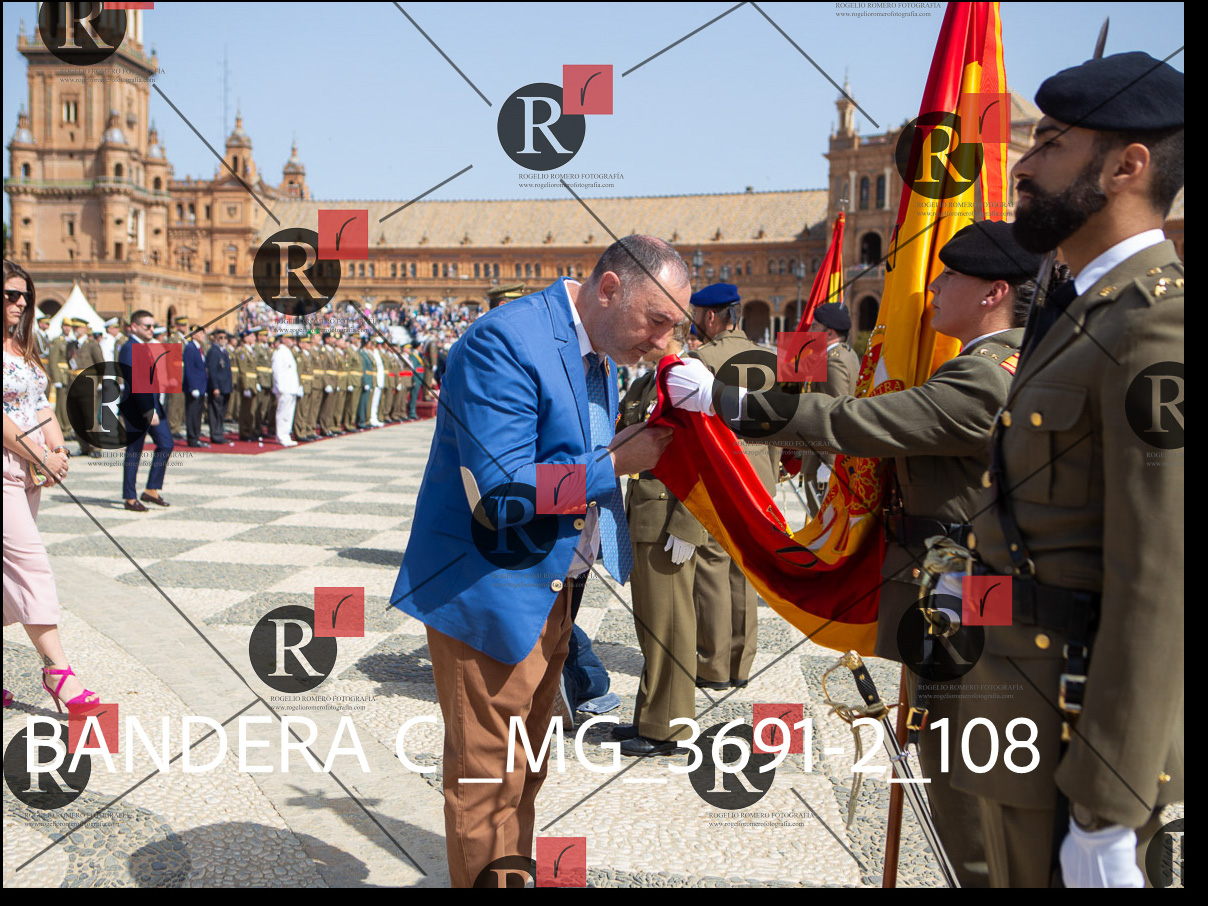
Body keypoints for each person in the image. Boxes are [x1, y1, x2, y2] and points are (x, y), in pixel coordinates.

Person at [671, 220, 1047, 886]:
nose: (933, 287)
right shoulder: (1013, 363)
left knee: (967, 794)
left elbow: (858, 420)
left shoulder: (988, 376)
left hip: (969, 607)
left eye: (950, 276)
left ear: (994, 293)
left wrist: (724, 401)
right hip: (969, 593)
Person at [390, 235, 695, 887]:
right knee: (485, 779)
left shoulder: (599, 346)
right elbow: (500, 492)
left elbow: (565, 452)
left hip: (555, 588)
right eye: (657, 321)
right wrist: (616, 462)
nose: (664, 342)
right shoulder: (505, 341)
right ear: (610, 289)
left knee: (525, 768)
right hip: (491, 589)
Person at [958, 52, 1184, 888]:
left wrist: (1110, 805)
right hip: (1021, 710)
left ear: (1127, 167)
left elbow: (1159, 577)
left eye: (1051, 143)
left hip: (1074, 732)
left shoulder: (1155, 327)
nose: (1022, 165)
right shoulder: (1083, 309)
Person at [3, 260, 99, 713]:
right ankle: (57, 672)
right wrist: (40, 455)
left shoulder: (22, 346)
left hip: (28, 470)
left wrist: (58, 449)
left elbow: (39, 402)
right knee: (32, 566)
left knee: (9, 575)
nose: (21, 303)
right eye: (11, 294)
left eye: (25, 295)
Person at [612, 334, 709, 756]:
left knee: (671, 625)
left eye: (655, 327)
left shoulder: (689, 378)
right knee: (651, 624)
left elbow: (707, 456)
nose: (641, 337)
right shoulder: (645, 382)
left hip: (670, 519)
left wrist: (690, 525)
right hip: (643, 514)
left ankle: (668, 729)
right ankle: (650, 716)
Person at [688, 283, 779, 691]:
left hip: (721, 476)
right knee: (747, 567)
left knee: (712, 566)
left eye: (696, 316)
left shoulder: (701, 359)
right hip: (759, 477)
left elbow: (697, 431)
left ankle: (714, 665)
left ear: (711, 317)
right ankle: (742, 663)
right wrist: (770, 474)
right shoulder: (770, 358)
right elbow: (779, 426)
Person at [118, 310, 173, 511]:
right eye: (147, 326)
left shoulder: (145, 347)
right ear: (134, 327)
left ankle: (151, 490)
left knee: (166, 444)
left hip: (153, 405)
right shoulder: (129, 348)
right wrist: (149, 410)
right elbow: (136, 382)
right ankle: (130, 497)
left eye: (153, 326)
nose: (151, 330)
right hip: (137, 409)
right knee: (134, 452)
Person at [72, 324, 105, 458]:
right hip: (74, 384)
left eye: (78, 328)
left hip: (88, 384)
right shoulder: (72, 345)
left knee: (90, 416)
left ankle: (95, 447)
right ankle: (83, 446)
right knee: (76, 417)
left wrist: (100, 382)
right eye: (74, 328)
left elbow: (100, 364)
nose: (75, 330)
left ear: (85, 329)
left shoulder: (92, 344)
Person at [271, 333, 301, 448]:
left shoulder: (288, 351)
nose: (292, 341)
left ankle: (285, 435)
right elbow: (277, 371)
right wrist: (280, 387)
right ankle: (282, 436)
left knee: (289, 413)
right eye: (290, 338)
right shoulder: (279, 352)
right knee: (283, 413)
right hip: (284, 388)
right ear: (283, 339)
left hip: (291, 388)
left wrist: (297, 387)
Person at [182, 325, 209, 448]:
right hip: (194, 388)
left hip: (201, 386)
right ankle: (192, 438)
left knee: (198, 414)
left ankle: (196, 437)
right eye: (201, 333)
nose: (203, 336)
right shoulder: (190, 348)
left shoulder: (199, 348)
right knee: (192, 414)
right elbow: (189, 369)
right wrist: (193, 387)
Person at [205, 329, 233, 445]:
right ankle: (216, 435)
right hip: (218, 387)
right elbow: (212, 371)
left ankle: (219, 433)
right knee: (215, 412)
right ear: (216, 339)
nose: (223, 340)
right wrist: (215, 387)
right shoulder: (214, 351)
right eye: (220, 338)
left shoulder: (224, 351)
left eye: (225, 338)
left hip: (225, 387)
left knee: (222, 412)